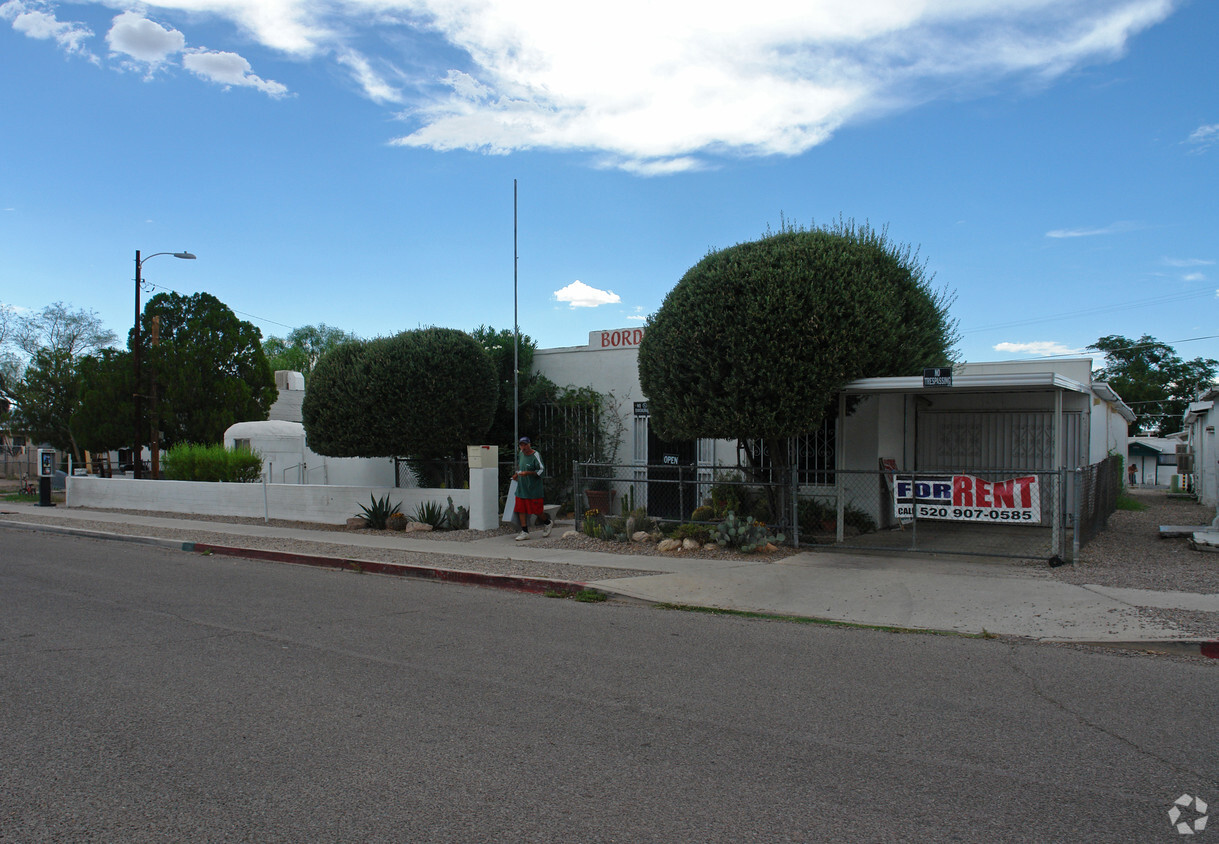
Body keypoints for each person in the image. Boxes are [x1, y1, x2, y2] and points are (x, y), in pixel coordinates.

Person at [512, 437, 552, 541]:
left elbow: (541, 471)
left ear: (529, 444)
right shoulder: (520, 454)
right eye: (521, 445)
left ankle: (547, 522)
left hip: (533, 489)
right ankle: (524, 531)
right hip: (522, 487)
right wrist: (517, 474)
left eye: (525, 445)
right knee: (521, 509)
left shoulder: (536, 455)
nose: (523, 447)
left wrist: (529, 473)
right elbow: (521, 467)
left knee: (536, 511)